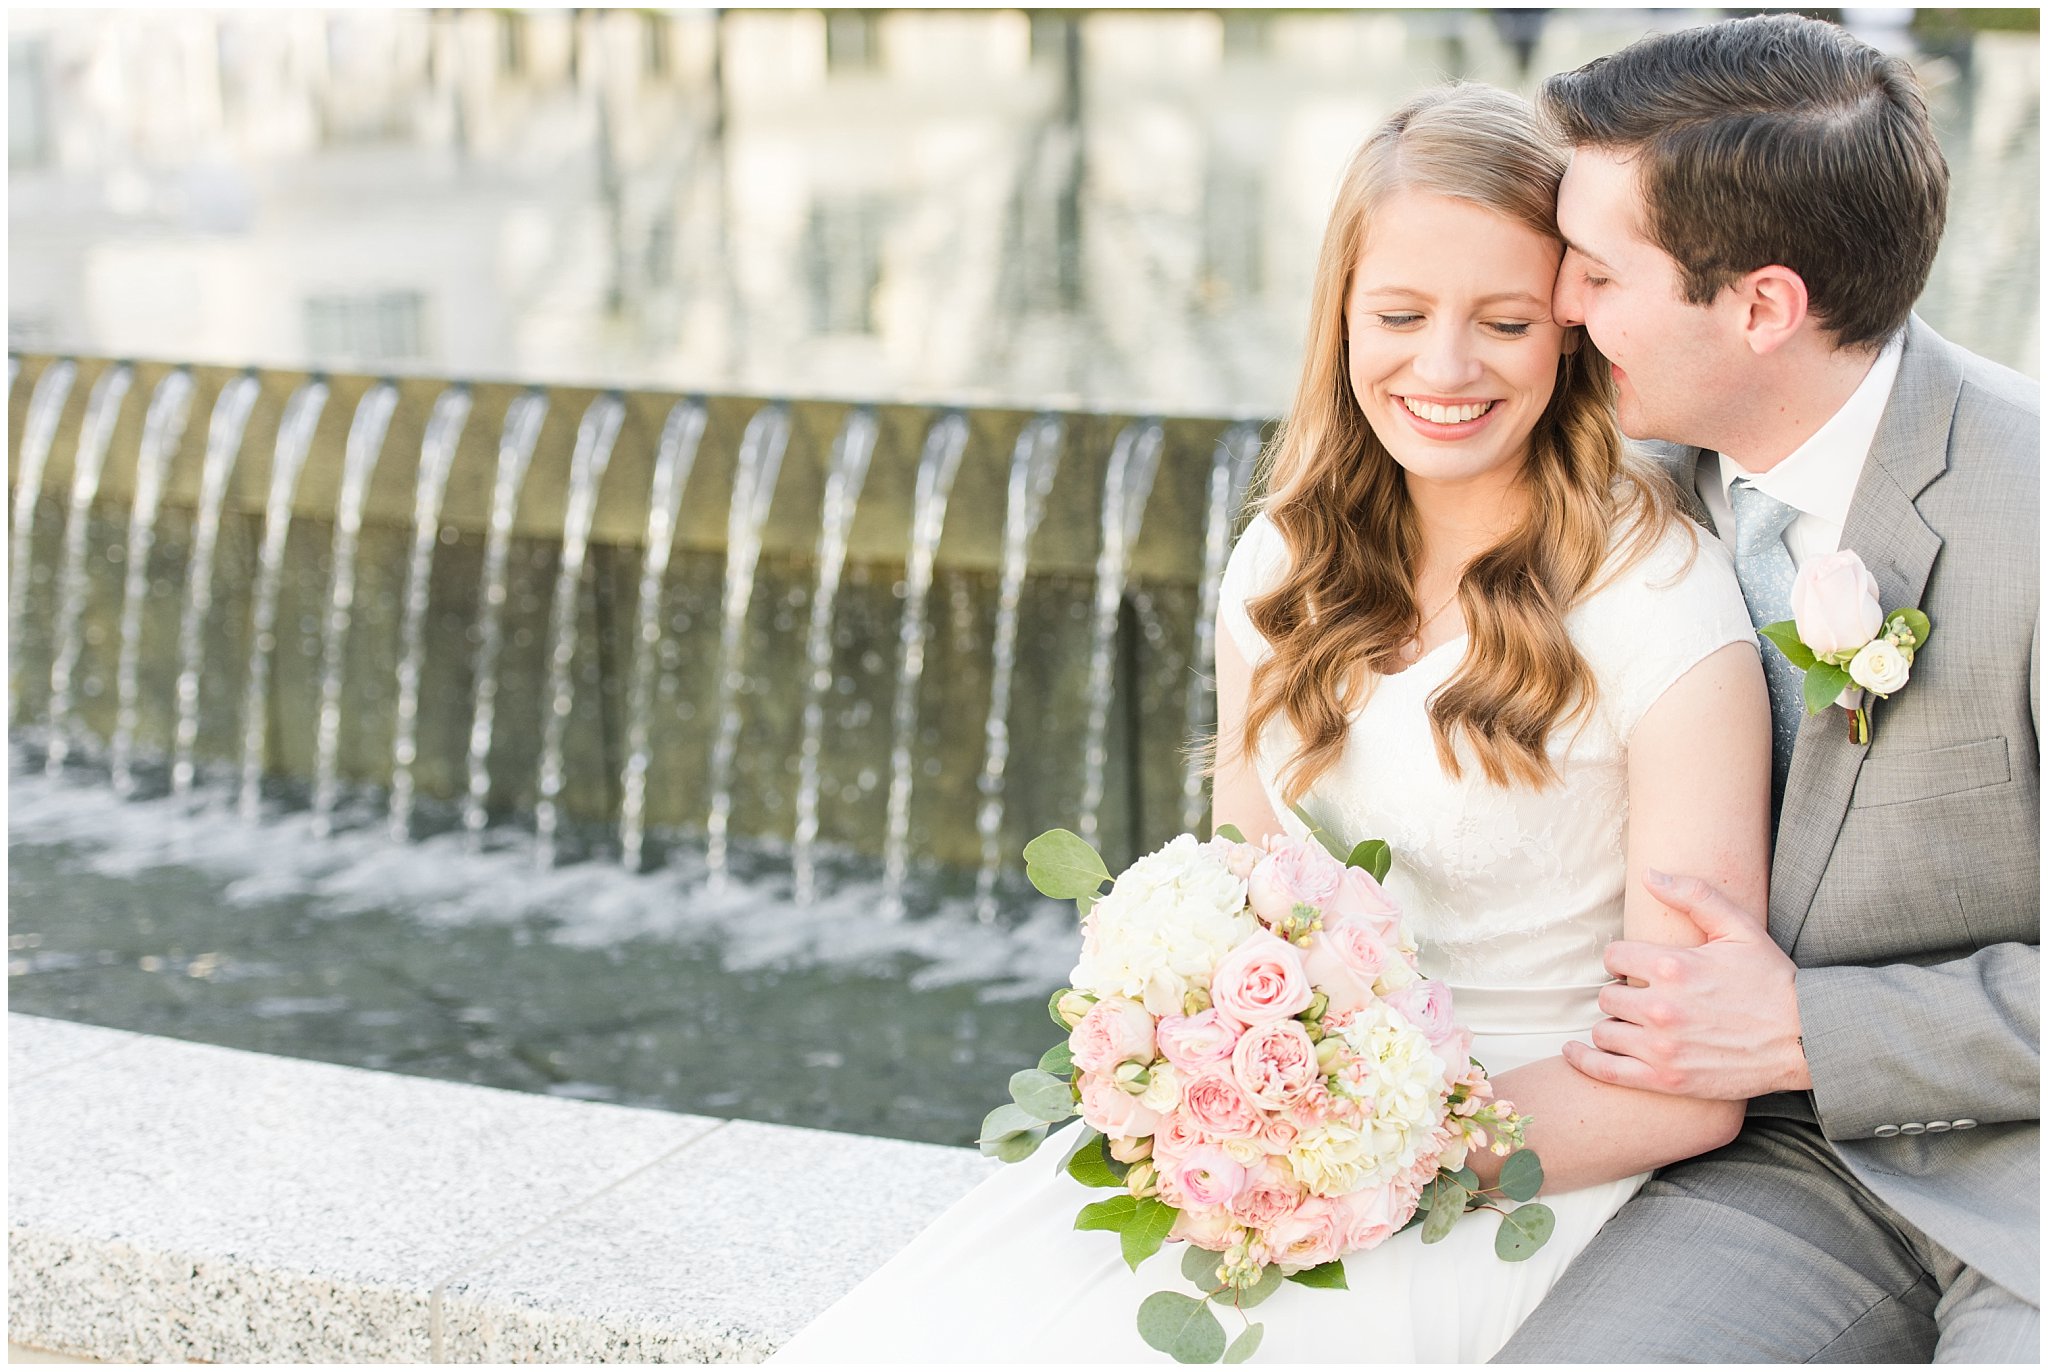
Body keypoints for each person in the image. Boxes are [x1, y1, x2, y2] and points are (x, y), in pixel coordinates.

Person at [771, 83, 1773, 1363]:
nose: (1445, 367)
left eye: (1505, 321)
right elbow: (1240, 903)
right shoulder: (1279, 562)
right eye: (1399, 315)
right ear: (1339, 315)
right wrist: (1216, 1105)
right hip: (1275, 1141)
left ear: (1569, 330)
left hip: (1528, 1158)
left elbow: (1684, 1089)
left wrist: (1353, 1148)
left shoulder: (1662, 608)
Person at [1496, 14, 2040, 1363]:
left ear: (1760, 307)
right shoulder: (1622, 481)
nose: (1558, 306)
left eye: (1599, 272)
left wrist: (1811, 1026)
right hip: (1775, 1173)